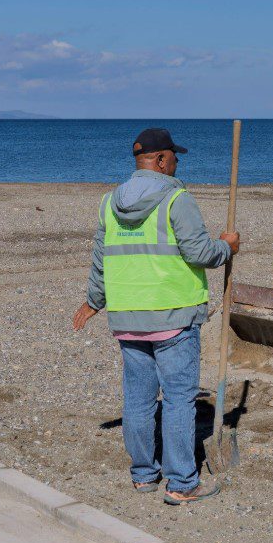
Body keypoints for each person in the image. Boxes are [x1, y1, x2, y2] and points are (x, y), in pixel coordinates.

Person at [73, 128, 239, 505]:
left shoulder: (108, 203)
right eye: (174, 157)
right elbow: (200, 254)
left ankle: (144, 475)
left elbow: (101, 261)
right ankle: (182, 483)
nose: (177, 163)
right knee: (180, 399)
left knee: (138, 400)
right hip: (172, 317)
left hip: (128, 319)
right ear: (161, 160)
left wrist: (94, 302)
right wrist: (226, 248)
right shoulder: (175, 199)